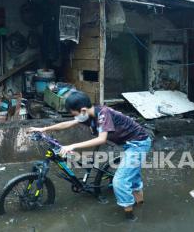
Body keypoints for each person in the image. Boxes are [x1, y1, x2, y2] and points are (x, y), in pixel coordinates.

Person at [28, 91, 152, 220]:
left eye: (74, 114)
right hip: (126, 142)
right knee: (132, 176)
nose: (74, 117)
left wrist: (72, 146)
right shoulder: (87, 114)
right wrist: (44, 129)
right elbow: (68, 123)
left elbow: (101, 139)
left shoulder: (104, 114)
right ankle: (140, 203)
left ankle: (130, 217)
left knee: (120, 182)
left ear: (82, 110)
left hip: (138, 144)